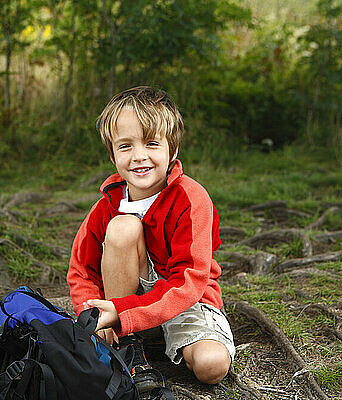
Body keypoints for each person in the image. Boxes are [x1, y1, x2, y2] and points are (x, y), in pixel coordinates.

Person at [67, 86, 235, 391]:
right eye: (126, 146)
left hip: (186, 300)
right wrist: (91, 314)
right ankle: (129, 347)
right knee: (123, 227)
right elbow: (81, 270)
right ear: (112, 154)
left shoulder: (192, 198)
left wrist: (123, 313)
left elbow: (190, 282)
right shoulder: (107, 204)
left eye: (152, 143)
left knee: (212, 365)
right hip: (123, 304)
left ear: (173, 150)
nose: (139, 156)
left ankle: (155, 336)